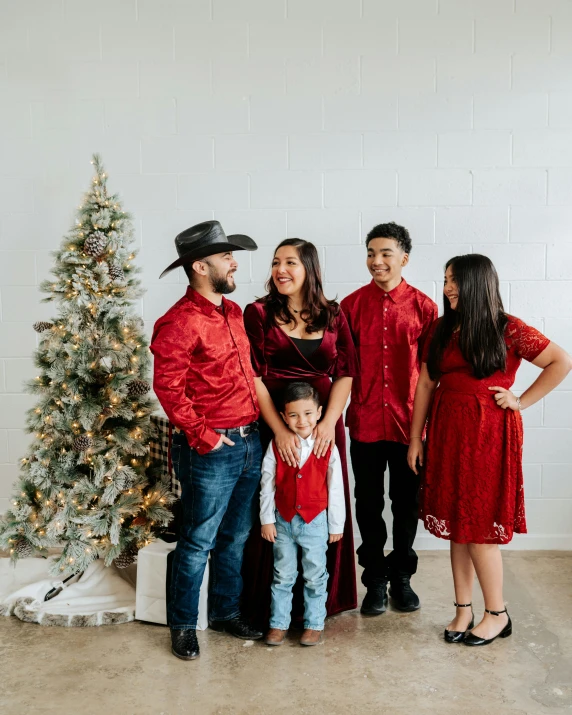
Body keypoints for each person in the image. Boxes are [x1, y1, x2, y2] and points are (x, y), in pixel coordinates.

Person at [408, 254, 572, 646]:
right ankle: (463, 609)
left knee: (479, 527)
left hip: (490, 432)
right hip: (448, 430)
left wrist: (520, 400)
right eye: (445, 279)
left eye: (455, 281)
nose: (447, 288)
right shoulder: (439, 329)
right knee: (455, 524)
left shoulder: (508, 328)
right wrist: (416, 437)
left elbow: (560, 361)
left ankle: (496, 613)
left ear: (477, 284)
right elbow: (426, 385)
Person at [150, 220, 264, 661]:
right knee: (197, 540)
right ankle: (182, 624)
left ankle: (224, 613)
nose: (234, 262)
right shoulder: (178, 322)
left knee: (235, 536)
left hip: (249, 442)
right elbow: (168, 388)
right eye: (226, 256)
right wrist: (205, 438)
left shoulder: (233, 313)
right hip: (210, 451)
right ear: (200, 266)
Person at [241, 238, 358, 628]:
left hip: (321, 422)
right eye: (276, 262)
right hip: (275, 421)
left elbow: (345, 373)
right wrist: (279, 432)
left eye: (290, 262)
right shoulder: (257, 313)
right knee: (274, 499)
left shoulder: (334, 315)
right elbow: (253, 376)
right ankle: (269, 608)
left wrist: (328, 423)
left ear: (310, 268)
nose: (280, 270)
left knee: (322, 497)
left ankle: (319, 606)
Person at [341, 222, 437, 615]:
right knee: (366, 502)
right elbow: (342, 367)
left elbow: (431, 375)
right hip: (364, 421)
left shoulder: (425, 308)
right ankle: (375, 581)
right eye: (370, 253)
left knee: (405, 502)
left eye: (385, 253)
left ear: (404, 258)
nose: (376, 261)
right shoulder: (349, 306)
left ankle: (402, 578)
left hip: (407, 425)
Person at [260, 382, 345, 646]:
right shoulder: (276, 446)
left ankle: (314, 624)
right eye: (294, 415)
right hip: (283, 521)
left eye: (308, 413)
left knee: (315, 574)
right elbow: (267, 482)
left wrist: (335, 525)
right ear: (284, 417)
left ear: (319, 413)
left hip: (315, 522)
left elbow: (336, 487)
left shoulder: (328, 446)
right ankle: (278, 624)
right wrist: (267, 520)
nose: (302, 420)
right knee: (283, 575)